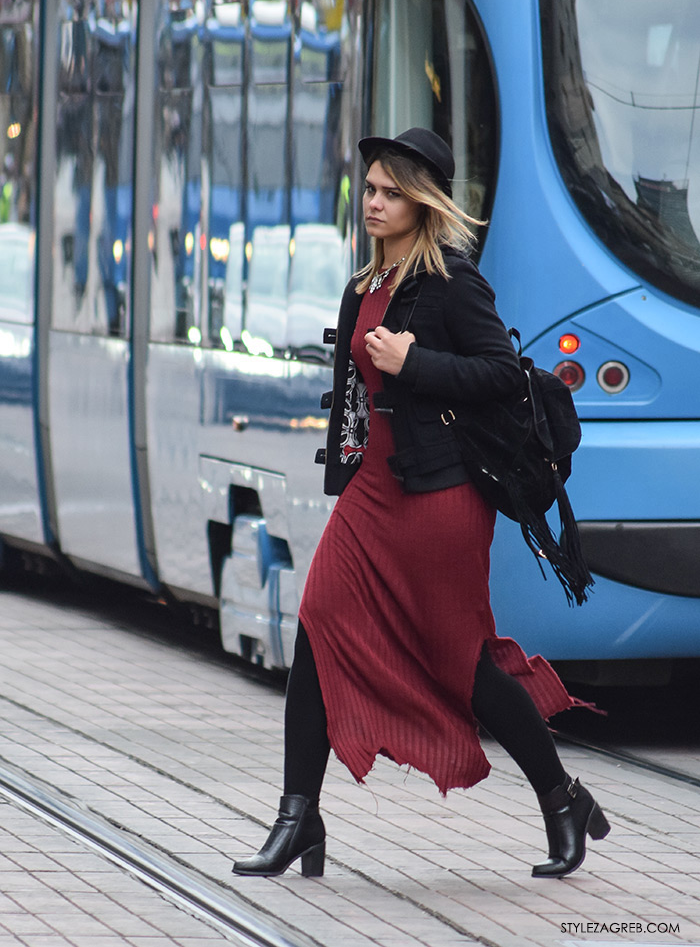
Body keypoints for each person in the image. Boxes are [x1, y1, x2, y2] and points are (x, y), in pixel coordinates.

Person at [231, 128, 610, 881]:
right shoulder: (364, 285)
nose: (373, 202)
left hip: (441, 498)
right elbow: (353, 404)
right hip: (373, 494)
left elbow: (502, 374)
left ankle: (560, 797)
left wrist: (416, 361)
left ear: (422, 202)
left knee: (460, 663)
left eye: (390, 192)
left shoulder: (451, 282)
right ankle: (298, 813)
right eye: (369, 189)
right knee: (317, 626)